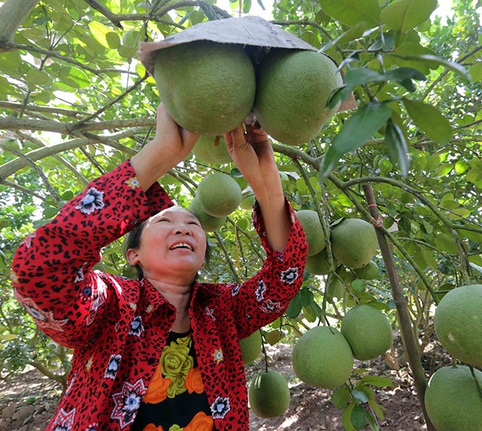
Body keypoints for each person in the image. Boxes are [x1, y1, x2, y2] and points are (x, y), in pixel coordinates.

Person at [10, 104, 308, 431]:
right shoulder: (109, 304)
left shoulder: (223, 310)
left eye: (193, 224)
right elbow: (36, 270)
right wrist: (161, 152)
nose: (182, 228)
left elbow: (283, 278)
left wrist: (265, 181)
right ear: (132, 254)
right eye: (164, 221)